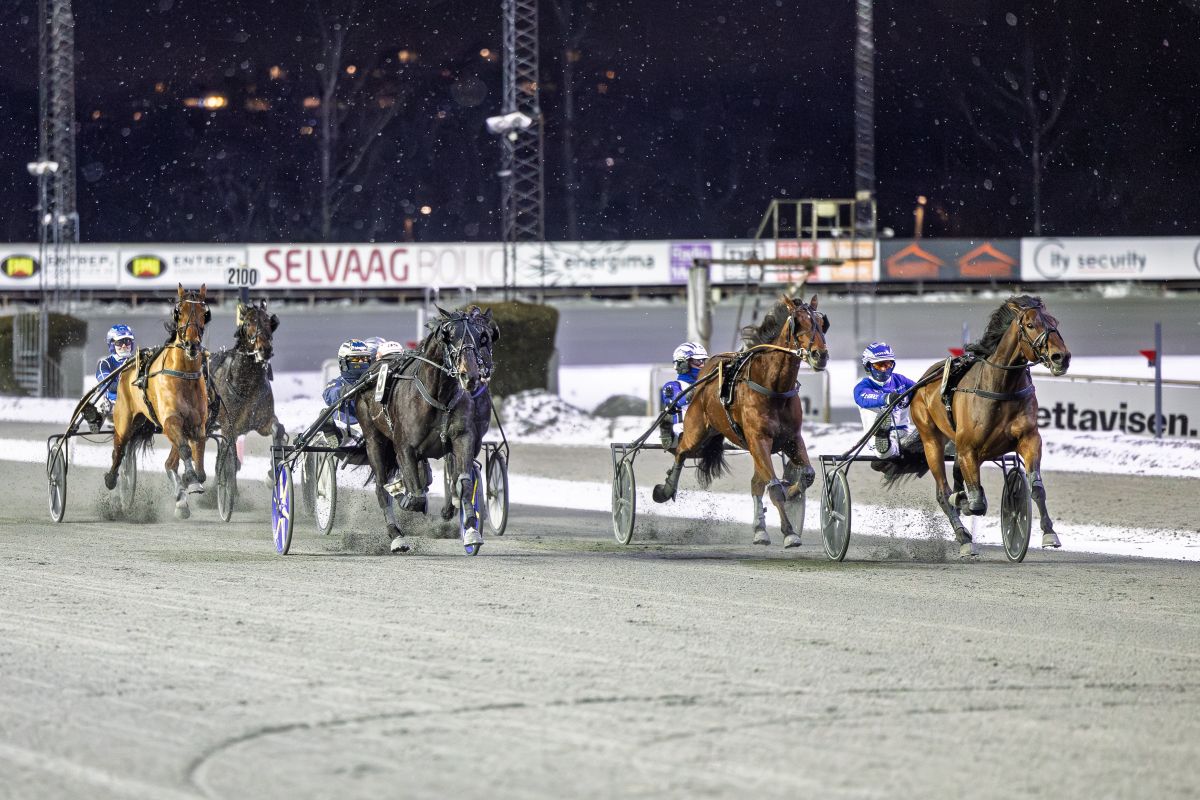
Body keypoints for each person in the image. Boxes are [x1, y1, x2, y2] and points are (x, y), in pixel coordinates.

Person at [853, 341, 919, 458]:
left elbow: (921, 390)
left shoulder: (900, 380)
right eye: (879, 365)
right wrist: (887, 397)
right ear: (868, 366)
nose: (883, 369)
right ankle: (884, 438)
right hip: (874, 435)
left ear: (892, 365)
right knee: (883, 454)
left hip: (904, 433)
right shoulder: (863, 386)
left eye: (887, 365)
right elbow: (865, 398)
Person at [82, 324, 136, 432]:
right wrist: (131, 387)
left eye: (127, 341)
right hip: (114, 404)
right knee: (105, 401)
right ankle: (96, 419)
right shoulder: (105, 363)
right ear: (111, 344)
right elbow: (108, 386)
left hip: (136, 403)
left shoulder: (138, 361)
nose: (124, 346)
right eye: (120, 343)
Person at [658, 341, 708, 450]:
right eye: (698, 361)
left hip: (707, 429)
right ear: (683, 363)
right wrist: (700, 389)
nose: (703, 365)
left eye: (703, 361)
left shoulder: (707, 384)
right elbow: (679, 400)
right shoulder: (671, 386)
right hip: (682, 431)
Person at [322, 339, 374, 430]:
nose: (361, 362)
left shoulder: (374, 381)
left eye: (364, 358)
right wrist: (347, 390)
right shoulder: (338, 383)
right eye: (356, 359)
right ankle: (333, 431)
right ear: (344, 362)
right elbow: (329, 395)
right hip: (347, 426)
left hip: (371, 427)